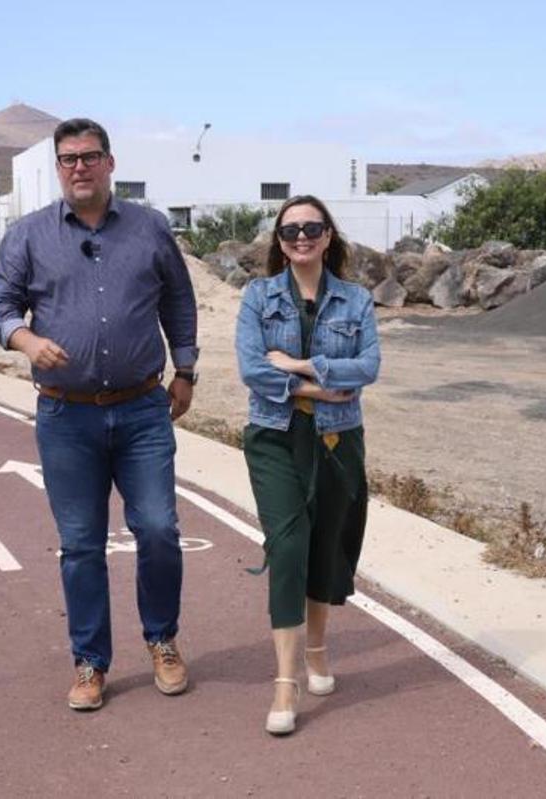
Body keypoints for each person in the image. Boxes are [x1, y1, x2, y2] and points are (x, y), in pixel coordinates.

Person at [0, 118, 199, 712]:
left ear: (109, 163)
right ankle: (90, 662)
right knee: (81, 545)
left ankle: (162, 640)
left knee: (158, 529)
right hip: (66, 417)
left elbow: (178, 299)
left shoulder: (150, 228)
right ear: (58, 168)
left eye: (90, 156)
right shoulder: (27, 235)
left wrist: (185, 370)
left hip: (142, 411)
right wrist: (25, 340)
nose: (79, 167)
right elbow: (1, 303)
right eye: (68, 159)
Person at [234, 195, 380, 735]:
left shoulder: (357, 300)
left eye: (311, 228)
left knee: (326, 546)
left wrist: (297, 365)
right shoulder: (258, 296)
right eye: (290, 229)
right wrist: (321, 387)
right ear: (278, 240)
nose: (300, 237)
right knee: (290, 545)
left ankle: (318, 649)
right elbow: (252, 369)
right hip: (274, 436)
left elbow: (367, 367)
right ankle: (285, 682)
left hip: (339, 441)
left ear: (327, 236)